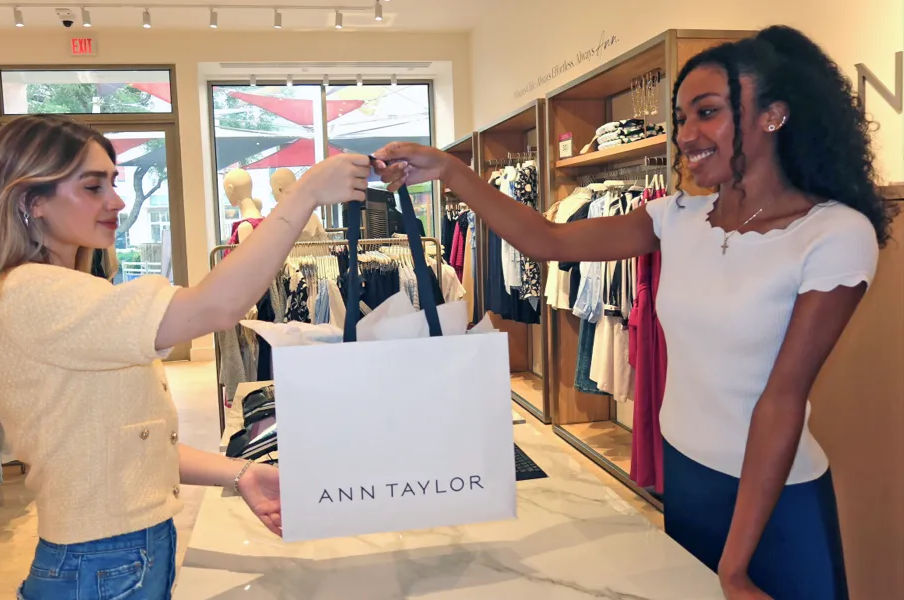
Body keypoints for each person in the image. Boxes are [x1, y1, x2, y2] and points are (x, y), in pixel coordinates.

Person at [374, 26, 896, 600]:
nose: (686, 135)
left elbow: (782, 399)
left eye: (708, 112)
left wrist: (735, 564)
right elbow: (549, 241)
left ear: (773, 115)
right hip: (686, 475)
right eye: (681, 117)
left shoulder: (832, 234)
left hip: (772, 500)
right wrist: (451, 172)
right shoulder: (675, 217)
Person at [0, 114, 371, 599]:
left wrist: (241, 473)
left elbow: (131, 445)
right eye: (93, 187)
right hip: (102, 562)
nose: (117, 201)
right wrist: (304, 195)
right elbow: (216, 306)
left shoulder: (54, 294)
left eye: (113, 182)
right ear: (32, 201)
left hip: (114, 556)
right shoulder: (36, 294)